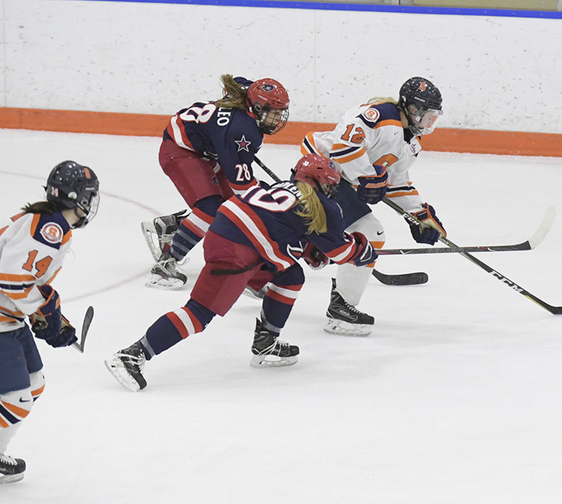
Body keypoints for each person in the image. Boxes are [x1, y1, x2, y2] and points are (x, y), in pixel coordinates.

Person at [105, 154, 377, 392]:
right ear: (324, 183)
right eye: (331, 185)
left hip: (227, 233)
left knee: (291, 276)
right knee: (199, 313)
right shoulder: (322, 205)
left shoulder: (282, 188)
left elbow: (286, 229)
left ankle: (266, 343)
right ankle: (133, 354)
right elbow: (343, 253)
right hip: (239, 249)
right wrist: (364, 250)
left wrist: (310, 251)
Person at [300, 76, 446, 337]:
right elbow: (343, 148)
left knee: (352, 236)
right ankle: (339, 309)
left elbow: (396, 182)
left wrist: (420, 215)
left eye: (433, 117)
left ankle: (259, 271)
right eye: (427, 116)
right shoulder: (379, 116)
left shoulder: (411, 142)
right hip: (320, 173)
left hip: (342, 182)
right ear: (412, 109)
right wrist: (366, 175)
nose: (429, 123)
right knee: (356, 234)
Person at [0, 161, 100, 483]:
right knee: (16, 398)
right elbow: (12, 279)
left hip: (8, 318)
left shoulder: (48, 222)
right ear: (80, 199)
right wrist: (43, 312)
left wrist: (54, 316)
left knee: (33, 382)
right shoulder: (48, 228)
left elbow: (27, 281)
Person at [141, 74, 290, 289]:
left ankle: (174, 227)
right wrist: (270, 200)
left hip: (207, 150)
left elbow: (238, 81)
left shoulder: (248, 94)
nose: (278, 119)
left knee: (231, 207)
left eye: (280, 112)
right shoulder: (242, 131)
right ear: (256, 108)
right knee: (211, 209)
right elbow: (243, 188)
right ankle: (167, 264)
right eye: (273, 113)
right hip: (180, 149)